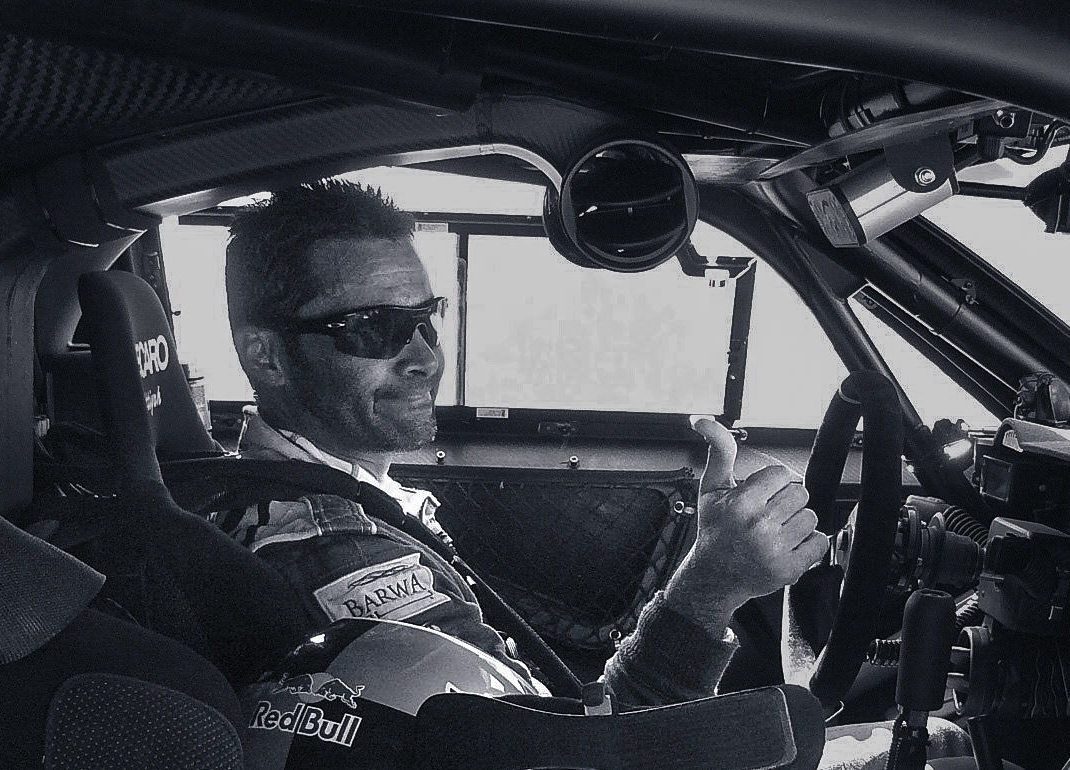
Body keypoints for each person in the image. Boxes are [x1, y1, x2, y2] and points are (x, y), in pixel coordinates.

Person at [219, 179, 828, 706]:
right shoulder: (337, 556)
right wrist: (712, 586)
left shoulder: (330, 495)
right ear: (266, 356)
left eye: (425, 319)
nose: (426, 359)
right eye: (376, 329)